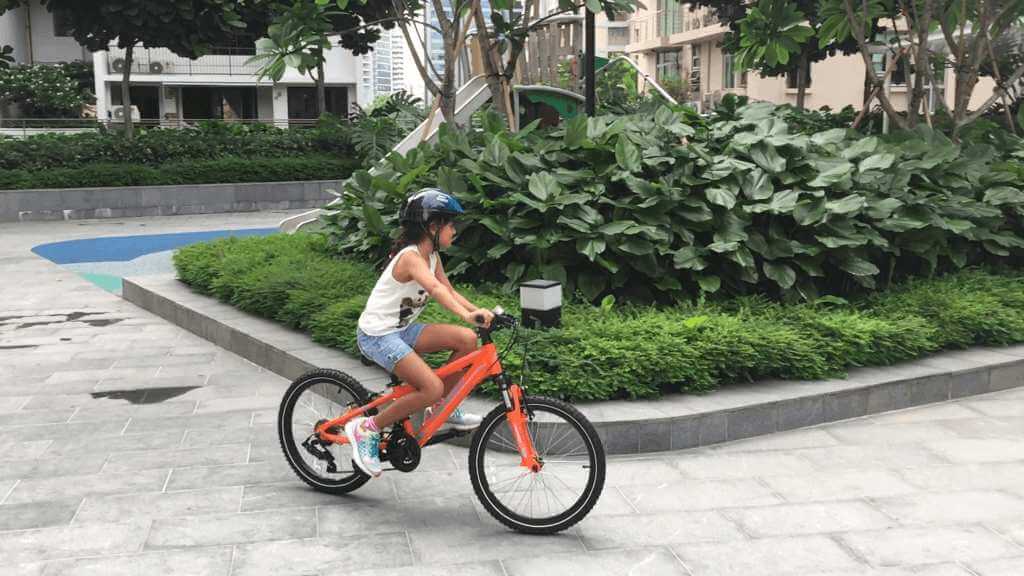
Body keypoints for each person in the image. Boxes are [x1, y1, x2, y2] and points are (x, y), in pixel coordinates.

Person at [346, 188, 494, 478]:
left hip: (401, 331)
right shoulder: (410, 258)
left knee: (467, 339)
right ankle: (367, 428)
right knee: (431, 387)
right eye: (450, 224)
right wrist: (466, 315)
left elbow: (449, 289)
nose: (454, 230)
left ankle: (442, 408)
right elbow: (436, 290)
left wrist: (478, 312)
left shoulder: (433, 257)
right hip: (377, 335)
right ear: (432, 226)